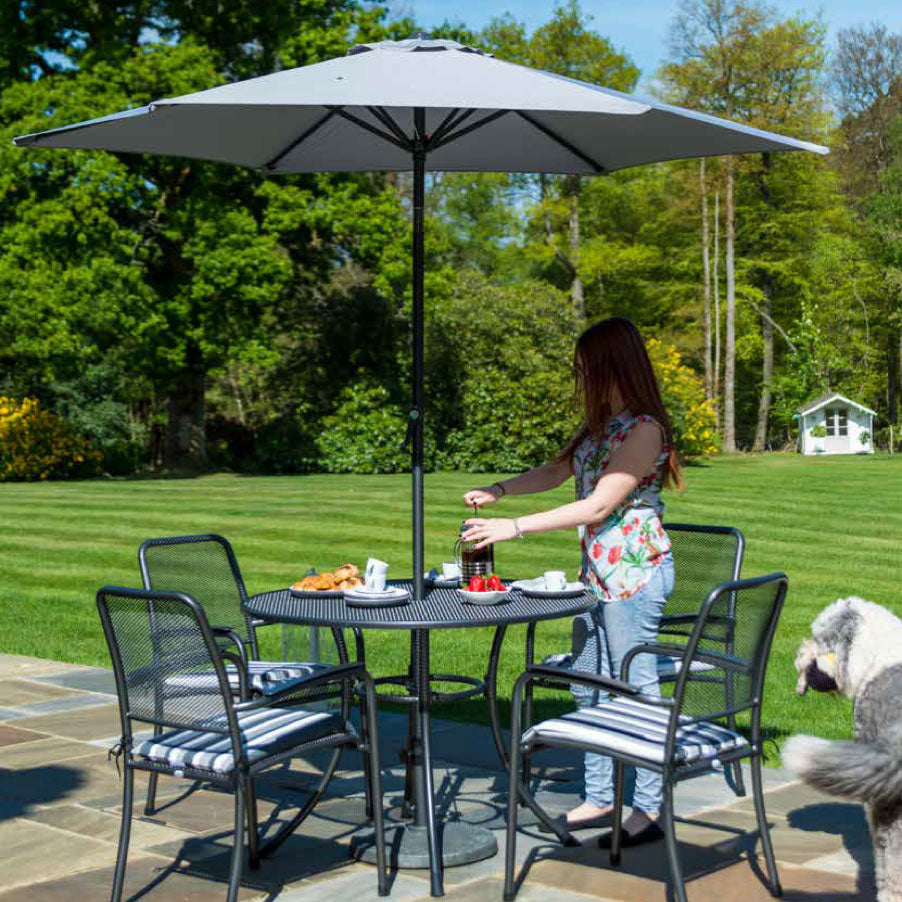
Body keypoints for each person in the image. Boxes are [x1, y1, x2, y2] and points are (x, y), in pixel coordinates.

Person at [461, 316, 680, 847]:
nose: (582, 378)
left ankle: (650, 809)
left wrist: (514, 528)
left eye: (587, 368)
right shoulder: (602, 427)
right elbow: (556, 472)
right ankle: (601, 796)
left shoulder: (645, 428)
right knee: (587, 682)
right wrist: (501, 489)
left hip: (635, 574)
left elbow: (601, 502)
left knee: (636, 686)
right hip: (597, 574)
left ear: (612, 365)